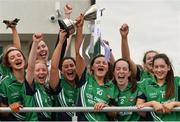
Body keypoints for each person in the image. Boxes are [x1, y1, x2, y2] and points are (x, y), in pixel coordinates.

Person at [75, 14, 118, 121]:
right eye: (98, 62)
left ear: (108, 68)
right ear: (92, 67)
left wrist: (106, 107)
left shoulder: (112, 87)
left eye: (104, 63)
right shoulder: (85, 79)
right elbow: (78, 54)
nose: (101, 65)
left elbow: (114, 114)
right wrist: (79, 28)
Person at [136, 53, 180, 121]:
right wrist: (152, 103)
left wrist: (174, 104)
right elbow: (139, 108)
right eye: (156, 67)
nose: (159, 70)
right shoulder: (145, 84)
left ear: (168, 67)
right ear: (153, 68)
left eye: (162, 66)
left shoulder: (177, 81)